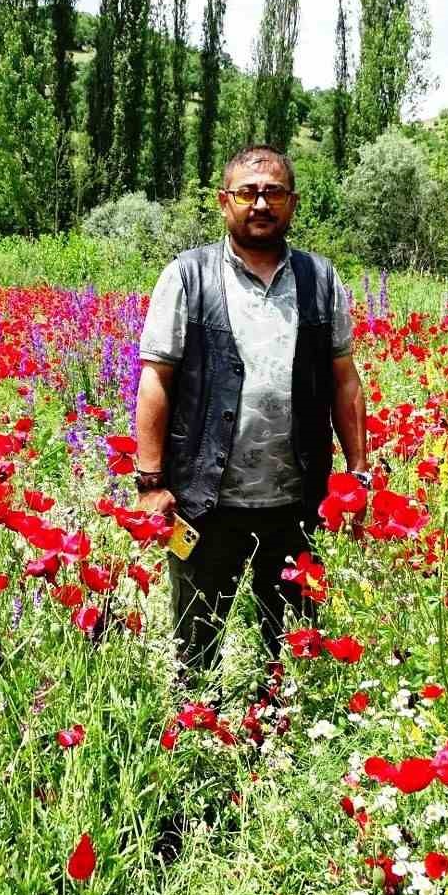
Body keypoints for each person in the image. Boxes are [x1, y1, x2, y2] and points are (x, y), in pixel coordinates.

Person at [132, 143, 369, 696]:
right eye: (248, 192)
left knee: (292, 641)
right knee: (195, 644)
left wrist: (358, 473)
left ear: (292, 202)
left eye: (273, 193)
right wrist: (151, 482)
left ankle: (281, 734)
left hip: (297, 500)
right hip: (203, 500)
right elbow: (155, 379)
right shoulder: (188, 276)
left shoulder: (319, 279)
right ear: (225, 201)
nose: (260, 203)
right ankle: (196, 741)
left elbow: (343, 379)